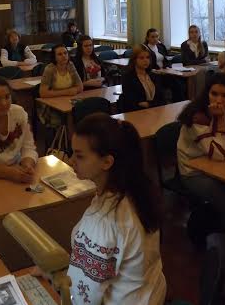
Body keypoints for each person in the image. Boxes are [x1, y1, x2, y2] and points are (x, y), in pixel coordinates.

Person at [68, 113, 166, 305]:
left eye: (79, 156)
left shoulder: (105, 221)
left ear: (107, 162)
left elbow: (85, 296)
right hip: (149, 293)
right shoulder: (136, 191)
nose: (71, 161)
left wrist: (57, 282)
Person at [177, 73, 225, 232]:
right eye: (214, 94)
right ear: (207, 93)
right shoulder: (198, 116)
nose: (219, 100)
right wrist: (220, 120)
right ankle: (198, 225)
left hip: (221, 167)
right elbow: (217, 154)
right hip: (194, 172)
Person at [143, 28, 184, 103]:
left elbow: (166, 59)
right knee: (162, 84)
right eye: (152, 37)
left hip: (164, 72)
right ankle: (163, 103)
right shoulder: (145, 49)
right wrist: (156, 70)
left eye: (157, 36)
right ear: (148, 38)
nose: (155, 39)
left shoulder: (160, 46)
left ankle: (179, 103)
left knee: (178, 83)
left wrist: (167, 67)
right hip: (153, 73)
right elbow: (146, 65)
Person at [121, 46, 165, 112]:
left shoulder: (154, 75)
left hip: (155, 111)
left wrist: (149, 104)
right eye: (141, 58)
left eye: (148, 57)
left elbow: (162, 100)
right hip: (136, 113)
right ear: (134, 60)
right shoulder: (128, 77)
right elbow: (131, 102)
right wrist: (153, 104)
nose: (146, 60)